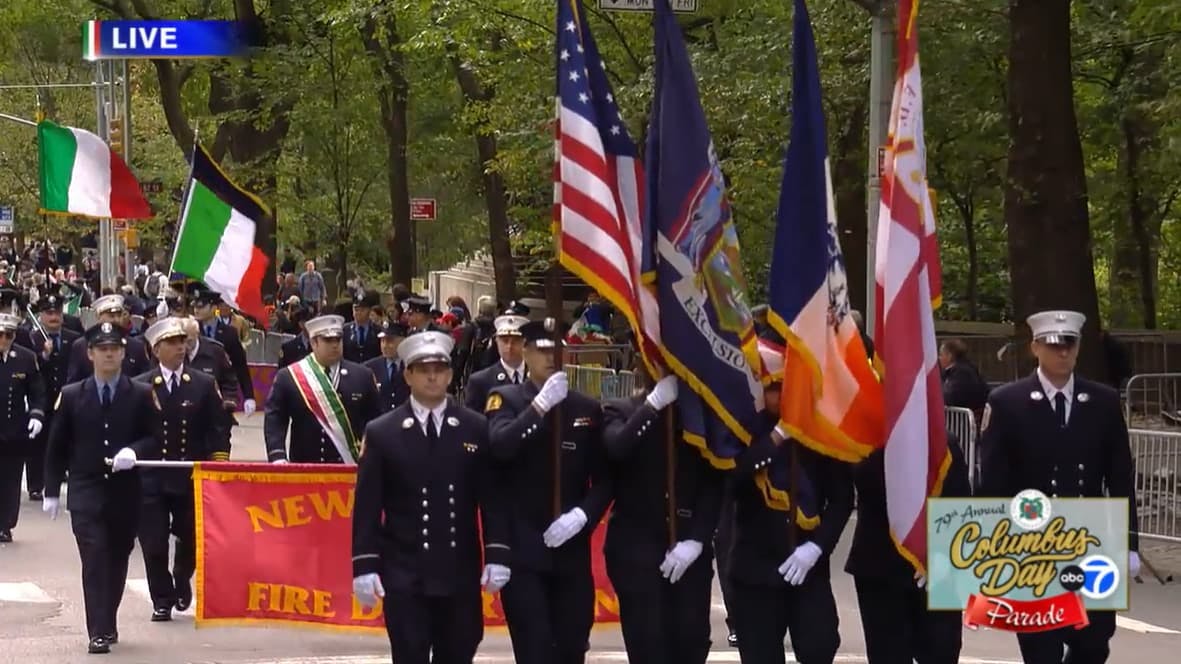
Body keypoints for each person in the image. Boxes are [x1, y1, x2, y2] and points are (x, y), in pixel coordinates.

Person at [977, 310, 1139, 664]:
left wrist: (1129, 544)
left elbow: (1120, 477)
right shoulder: (1008, 402)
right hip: (1032, 545)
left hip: (1091, 543)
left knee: (1094, 642)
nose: (1062, 352)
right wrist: (990, 550)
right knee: (1041, 647)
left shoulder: (1103, 401)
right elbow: (993, 481)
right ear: (1035, 347)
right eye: (1053, 345)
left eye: (1069, 344)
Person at [352, 330, 512, 664]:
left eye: (439, 368)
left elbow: (493, 498)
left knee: (458, 651)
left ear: (451, 375)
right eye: (423, 368)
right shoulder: (383, 431)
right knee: (409, 653)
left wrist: (498, 553)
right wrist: (364, 566)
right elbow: (368, 507)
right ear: (407, 374)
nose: (432, 375)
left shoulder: (474, 428)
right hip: (405, 572)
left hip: (459, 571)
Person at [485, 320, 611, 664]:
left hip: (570, 551)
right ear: (525, 352)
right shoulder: (506, 399)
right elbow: (500, 446)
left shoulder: (585, 408)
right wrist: (538, 408)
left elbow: (605, 477)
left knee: (572, 647)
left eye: (557, 349)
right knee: (535, 649)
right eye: (542, 349)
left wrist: (584, 515)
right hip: (525, 549)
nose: (551, 357)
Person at [728, 345, 854, 664]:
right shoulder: (743, 429)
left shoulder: (821, 434)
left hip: (807, 565)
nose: (780, 396)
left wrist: (816, 548)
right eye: (772, 389)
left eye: (787, 387)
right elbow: (732, 480)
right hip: (755, 567)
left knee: (820, 646)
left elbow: (841, 499)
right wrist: (777, 437)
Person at [43, 321, 160, 654]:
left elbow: (155, 437)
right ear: (90, 354)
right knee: (94, 558)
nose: (109, 355)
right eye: (103, 349)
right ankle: (98, 629)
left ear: (123, 354)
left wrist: (134, 452)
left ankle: (108, 619)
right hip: (86, 490)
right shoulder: (71, 396)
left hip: (125, 490)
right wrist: (51, 491)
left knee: (118, 556)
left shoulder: (138, 393)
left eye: (115, 349)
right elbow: (57, 446)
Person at [602, 362, 725, 663]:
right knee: (648, 644)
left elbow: (715, 481)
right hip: (636, 549)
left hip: (688, 549)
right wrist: (653, 405)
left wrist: (697, 539)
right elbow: (617, 447)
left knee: (692, 641)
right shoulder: (620, 410)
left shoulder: (698, 418)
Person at [134, 318, 229, 622]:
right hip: (152, 476)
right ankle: (161, 597)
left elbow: (218, 427)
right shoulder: (141, 385)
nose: (180, 348)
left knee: (191, 536)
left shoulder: (201, 383)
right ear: (156, 349)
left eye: (182, 342)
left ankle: (181, 574)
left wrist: (218, 463)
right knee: (154, 540)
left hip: (189, 475)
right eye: (173, 343)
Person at [846, 435, 971, 663]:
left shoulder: (946, 444)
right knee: (888, 653)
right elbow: (864, 484)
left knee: (941, 651)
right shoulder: (866, 443)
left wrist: (938, 555)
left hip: (938, 571)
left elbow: (960, 509)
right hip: (880, 568)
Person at [264, 314, 381, 463]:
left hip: (349, 466)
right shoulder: (289, 376)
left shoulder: (362, 375)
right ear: (314, 342)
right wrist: (277, 455)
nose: (335, 345)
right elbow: (275, 417)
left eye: (338, 339)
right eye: (328, 340)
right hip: (305, 467)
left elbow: (374, 419)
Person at [21, 296, 78, 502]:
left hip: (66, 396)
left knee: (66, 440)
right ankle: (36, 485)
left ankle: (66, 476)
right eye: (49, 313)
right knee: (37, 442)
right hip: (42, 398)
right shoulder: (32, 338)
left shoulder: (73, 338)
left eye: (57, 313)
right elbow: (29, 370)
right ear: (41, 316)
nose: (53, 317)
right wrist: (43, 356)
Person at [0, 312, 47, 542]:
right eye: (0, 335)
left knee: (10, 479)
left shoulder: (26, 358)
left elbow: (37, 390)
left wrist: (37, 415)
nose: (3, 340)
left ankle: (5, 524)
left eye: (8, 335)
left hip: (13, 429)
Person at [191, 287, 256, 416]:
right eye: (195, 306)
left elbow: (240, 365)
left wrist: (249, 396)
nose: (196, 310)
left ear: (214, 307)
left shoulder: (229, 333)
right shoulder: (192, 331)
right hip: (195, 392)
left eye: (201, 306)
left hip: (221, 393)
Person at [67, 294, 151, 383]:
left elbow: (145, 381)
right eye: (111, 316)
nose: (116, 320)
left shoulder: (136, 347)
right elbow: (74, 382)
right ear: (98, 317)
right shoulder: (82, 346)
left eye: (119, 315)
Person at [463, 313, 527, 411]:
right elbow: (472, 422)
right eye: (505, 341)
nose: (509, 346)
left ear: (525, 342)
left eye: (515, 341)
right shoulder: (480, 381)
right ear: (497, 341)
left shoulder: (538, 378)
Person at [363, 321, 410, 413]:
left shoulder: (412, 366)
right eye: (382, 341)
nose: (385, 346)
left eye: (390, 341)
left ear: (403, 341)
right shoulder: (369, 368)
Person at [938, 338, 989, 414]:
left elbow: (951, 397)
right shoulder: (961, 370)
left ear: (949, 356)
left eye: (941, 354)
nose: (939, 358)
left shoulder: (962, 373)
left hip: (964, 421)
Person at [344, 290, 382, 363]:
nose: (358, 313)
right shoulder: (345, 330)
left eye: (362, 310)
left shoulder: (378, 330)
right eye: (356, 310)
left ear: (369, 310)